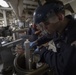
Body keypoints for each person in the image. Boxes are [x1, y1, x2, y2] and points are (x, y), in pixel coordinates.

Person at [33, 0, 76, 75]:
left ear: (60, 17)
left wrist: (43, 52)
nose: (44, 29)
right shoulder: (57, 28)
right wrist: (37, 42)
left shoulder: (73, 34)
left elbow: (64, 66)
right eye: (41, 26)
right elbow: (49, 35)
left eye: (45, 24)